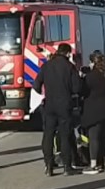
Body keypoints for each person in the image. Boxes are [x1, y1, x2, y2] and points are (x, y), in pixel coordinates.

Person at [34, 43, 82, 176]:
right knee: (64, 135)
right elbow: (77, 88)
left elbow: (36, 85)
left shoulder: (47, 66)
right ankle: (67, 166)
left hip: (49, 105)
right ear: (67, 53)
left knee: (48, 135)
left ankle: (49, 165)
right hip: (65, 105)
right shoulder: (69, 67)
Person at [81, 53, 105, 174]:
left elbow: (83, 90)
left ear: (93, 63)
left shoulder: (90, 76)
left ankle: (94, 165)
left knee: (94, 137)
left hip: (95, 110)